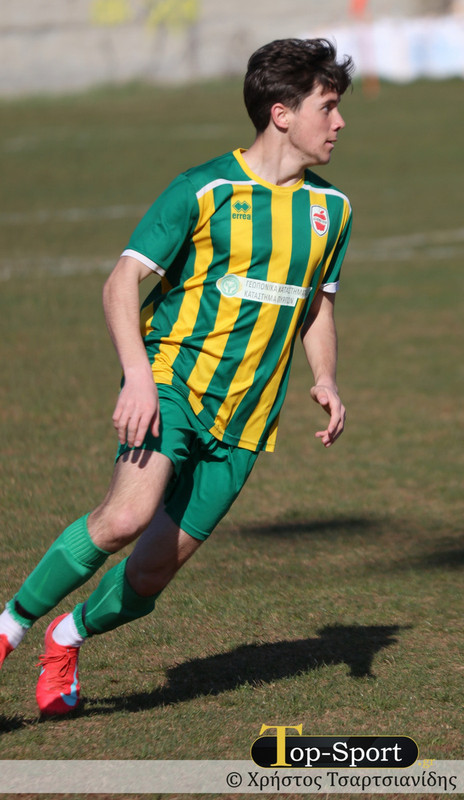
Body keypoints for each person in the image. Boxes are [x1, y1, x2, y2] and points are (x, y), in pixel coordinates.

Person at [0, 38, 354, 715]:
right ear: (282, 114)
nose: (339, 123)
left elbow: (317, 305)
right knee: (125, 517)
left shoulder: (331, 210)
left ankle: (66, 637)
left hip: (247, 418)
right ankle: (8, 628)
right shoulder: (204, 188)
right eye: (328, 107)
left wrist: (326, 377)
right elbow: (120, 282)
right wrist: (138, 377)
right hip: (172, 383)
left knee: (153, 571)